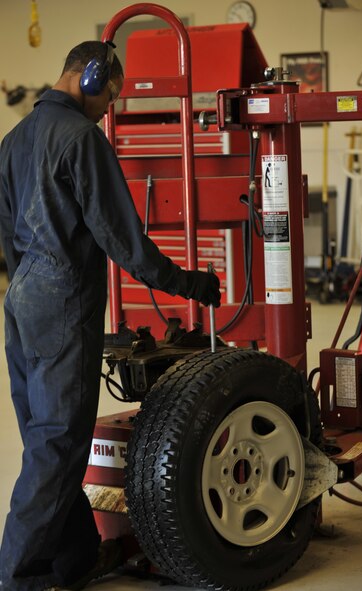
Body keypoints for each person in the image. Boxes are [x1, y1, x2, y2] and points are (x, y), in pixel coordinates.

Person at [0, 40, 220, 591]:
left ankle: (71, 560)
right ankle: (15, 576)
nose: (108, 109)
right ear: (92, 78)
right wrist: (190, 284)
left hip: (22, 300)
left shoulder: (14, 139)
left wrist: (28, 285)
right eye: (110, 97)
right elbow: (127, 244)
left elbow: (7, 236)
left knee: (46, 438)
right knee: (57, 444)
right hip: (64, 304)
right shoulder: (82, 139)